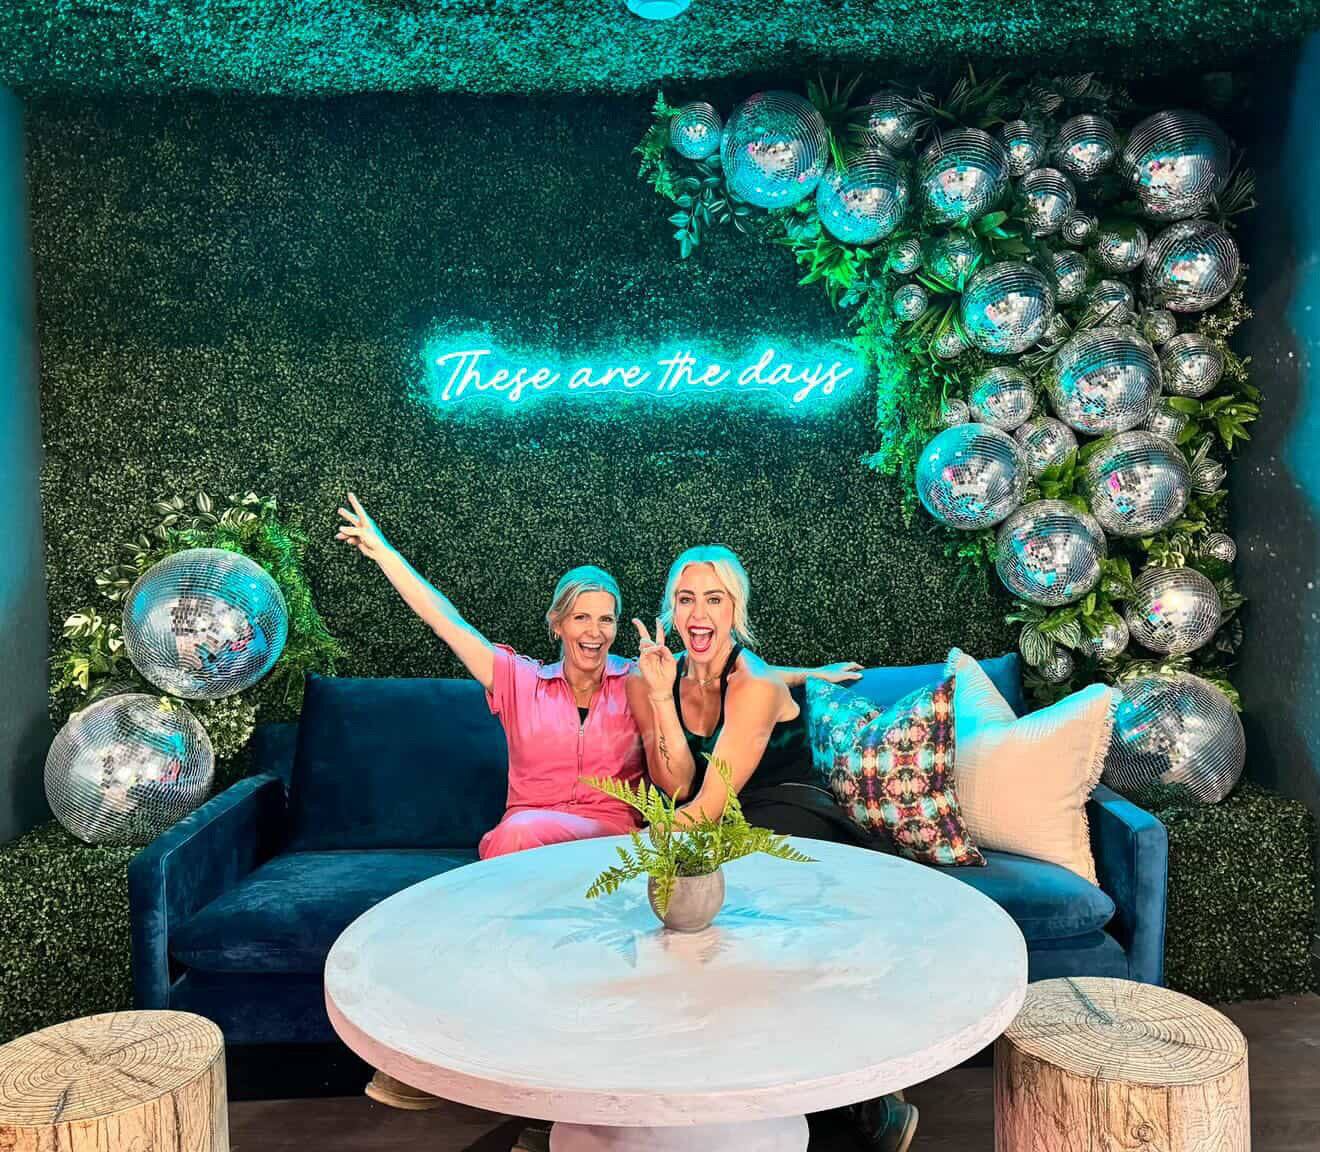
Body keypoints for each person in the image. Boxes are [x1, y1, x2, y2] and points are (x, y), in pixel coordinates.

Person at [334, 498, 861, 1124]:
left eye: (606, 619)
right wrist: (386, 553)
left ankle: (475, 1067)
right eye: (581, 617)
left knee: (511, 870)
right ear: (557, 623)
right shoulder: (516, 680)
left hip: (612, 834)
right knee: (515, 848)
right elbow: (446, 621)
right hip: (534, 840)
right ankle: (447, 1053)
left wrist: (810, 675)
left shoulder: (634, 679)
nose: (594, 630)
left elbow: (724, 674)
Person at [628, 544, 919, 1152]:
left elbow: (709, 804)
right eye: (686, 600)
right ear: (671, 612)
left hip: (788, 808)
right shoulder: (654, 676)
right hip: (715, 813)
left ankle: (870, 1102)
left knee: (750, 906)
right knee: (690, 914)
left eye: (714, 599)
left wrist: (647, 853)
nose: (699, 612)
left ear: (736, 609)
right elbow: (678, 785)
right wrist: (659, 698)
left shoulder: (755, 682)